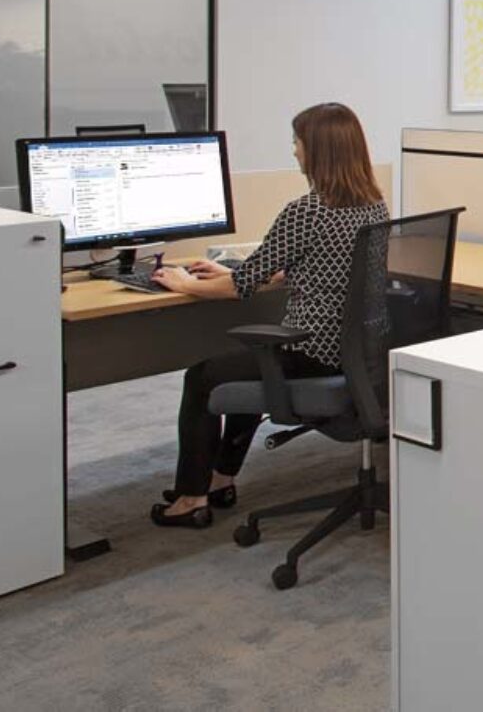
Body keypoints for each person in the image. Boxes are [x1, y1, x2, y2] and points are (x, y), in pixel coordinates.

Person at [146, 102, 389, 528]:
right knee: (250, 365)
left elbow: (242, 286)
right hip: (352, 348)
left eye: (297, 142)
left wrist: (186, 283)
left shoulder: (308, 210)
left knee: (201, 377)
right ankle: (220, 479)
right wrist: (239, 272)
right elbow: (314, 270)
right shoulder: (373, 206)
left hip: (309, 349)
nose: (294, 151)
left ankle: (190, 498)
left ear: (318, 150)